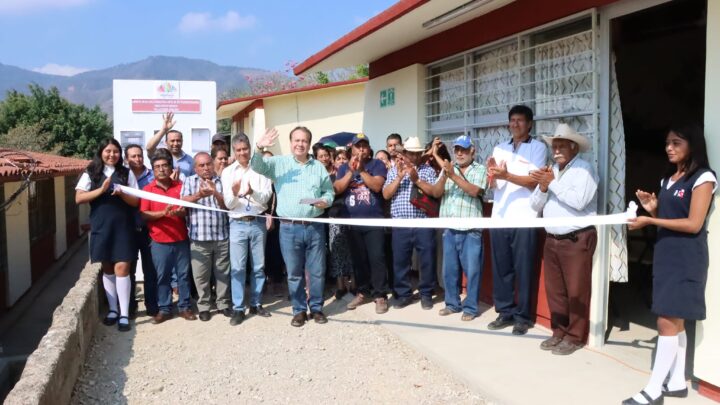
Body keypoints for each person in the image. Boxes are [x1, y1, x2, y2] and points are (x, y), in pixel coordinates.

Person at [623, 124, 716, 405]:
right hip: (666, 253)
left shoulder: (703, 178)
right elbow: (673, 216)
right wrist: (654, 208)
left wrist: (650, 220)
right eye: (667, 143)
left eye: (677, 142)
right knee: (676, 321)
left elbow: (693, 223)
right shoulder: (668, 178)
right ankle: (676, 382)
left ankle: (654, 389)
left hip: (686, 257)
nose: (669, 148)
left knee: (666, 319)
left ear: (693, 145)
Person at [251, 126, 335, 327]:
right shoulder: (279, 163)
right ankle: (298, 310)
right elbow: (257, 166)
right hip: (289, 228)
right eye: (296, 140)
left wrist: (325, 201)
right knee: (294, 272)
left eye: (304, 141)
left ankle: (316, 308)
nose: (300, 144)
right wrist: (258, 148)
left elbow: (329, 192)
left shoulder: (318, 167)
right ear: (291, 143)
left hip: (314, 226)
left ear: (309, 143)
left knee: (316, 271)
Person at [529, 124, 598, 355]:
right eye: (554, 146)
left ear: (573, 147)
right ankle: (559, 331)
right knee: (555, 290)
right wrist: (543, 186)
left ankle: (575, 336)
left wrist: (552, 183)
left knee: (577, 290)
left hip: (576, 239)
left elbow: (580, 201)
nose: (556, 150)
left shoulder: (585, 170)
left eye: (561, 146)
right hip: (552, 239)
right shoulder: (551, 172)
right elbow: (534, 205)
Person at [486, 105, 547, 336]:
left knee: (523, 268)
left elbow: (534, 181)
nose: (515, 124)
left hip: (525, 218)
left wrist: (506, 175)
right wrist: (492, 176)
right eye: (512, 120)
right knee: (502, 267)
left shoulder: (538, 148)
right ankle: (505, 312)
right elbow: (495, 184)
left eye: (520, 120)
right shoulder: (500, 148)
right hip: (500, 216)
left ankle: (523, 317)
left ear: (529, 124)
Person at [75, 139, 139, 332]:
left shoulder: (126, 173)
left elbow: (136, 201)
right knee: (108, 267)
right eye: (108, 151)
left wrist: (121, 194)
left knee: (123, 267)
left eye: (116, 152)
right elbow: (79, 198)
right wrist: (101, 190)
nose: (112, 155)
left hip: (123, 227)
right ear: (101, 152)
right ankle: (113, 310)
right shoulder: (90, 173)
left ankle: (124, 313)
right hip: (101, 226)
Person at [427, 135, 487, 321]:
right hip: (450, 229)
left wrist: (451, 174)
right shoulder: (448, 169)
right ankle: (452, 304)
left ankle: (470, 308)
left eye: (464, 149)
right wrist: (445, 175)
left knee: (472, 271)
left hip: (470, 230)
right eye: (457, 150)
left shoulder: (480, 169)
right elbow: (436, 193)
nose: (460, 153)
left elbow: (475, 190)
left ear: (472, 151)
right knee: (450, 270)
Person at [335, 133, 390, 314]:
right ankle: (362, 291)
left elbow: (376, 186)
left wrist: (362, 170)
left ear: (368, 149)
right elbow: (338, 189)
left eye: (364, 146)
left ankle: (380, 294)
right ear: (352, 149)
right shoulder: (343, 168)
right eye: (358, 146)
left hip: (374, 221)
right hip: (352, 222)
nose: (361, 150)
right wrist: (351, 171)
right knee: (359, 260)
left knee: (377, 258)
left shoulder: (377, 164)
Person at [222, 133, 274, 326]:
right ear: (233, 152)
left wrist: (253, 192)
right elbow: (228, 203)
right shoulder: (228, 172)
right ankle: (238, 308)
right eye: (238, 150)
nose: (242, 153)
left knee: (259, 266)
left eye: (245, 149)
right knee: (237, 268)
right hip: (237, 223)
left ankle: (256, 303)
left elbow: (267, 198)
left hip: (258, 222)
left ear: (250, 149)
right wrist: (235, 195)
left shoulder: (261, 169)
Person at [140, 149, 196, 323]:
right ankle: (164, 309)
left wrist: (180, 213)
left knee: (183, 275)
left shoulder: (180, 187)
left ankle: (184, 307)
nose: (162, 169)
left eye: (165, 165)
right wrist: (162, 213)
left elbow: (187, 212)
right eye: (157, 166)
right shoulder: (147, 190)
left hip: (180, 239)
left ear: (171, 167)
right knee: (162, 276)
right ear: (153, 169)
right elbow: (143, 214)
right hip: (158, 241)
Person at [382, 136, 438, 310]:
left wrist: (416, 180)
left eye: (417, 153)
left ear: (421, 153)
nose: (413, 157)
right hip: (401, 223)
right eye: (410, 153)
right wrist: (399, 178)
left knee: (427, 260)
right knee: (400, 261)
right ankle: (403, 294)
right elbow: (386, 194)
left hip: (423, 222)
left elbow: (435, 192)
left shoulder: (427, 170)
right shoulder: (394, 170)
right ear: (404, 153)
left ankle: (426, 294)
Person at [180, 152, 232, 322]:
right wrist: (199, 195)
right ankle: (204, 306)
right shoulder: (189, 181)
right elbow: (183, 201)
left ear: (213, 164)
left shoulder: (222, 181)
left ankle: (223, 303)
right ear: (195, 168)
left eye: (208, 164)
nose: (206, 168)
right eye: (201, 165)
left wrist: (215, 193)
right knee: (200, 276)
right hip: (199, 237)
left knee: (222, 273)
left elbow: (228, 205)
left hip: (221, 236)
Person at [124, 143, 158, 317]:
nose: (137, 159)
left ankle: (152, 305)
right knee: (128, 270)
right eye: (133, 156)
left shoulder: (152, 176)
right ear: (126, 159)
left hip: (149, 230)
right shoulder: (122, 177)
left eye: (139, 155)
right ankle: (129, 308)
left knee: (150, 270)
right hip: (128, 231)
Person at [261, 150, 286, 297]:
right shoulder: (257, 179)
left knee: (276, 250)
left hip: (278, 219)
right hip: (260, 218)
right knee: (261, 252)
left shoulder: (279, 179)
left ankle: (277, 281)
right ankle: (262, 282)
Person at [145, 112, 194, 178]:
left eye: (178, 141)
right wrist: (163, 130)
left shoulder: (190, 159)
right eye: (172, 141)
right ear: (166, 142)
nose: (175, 144)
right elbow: (149, 148)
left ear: (182, 142)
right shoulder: (160, 155)